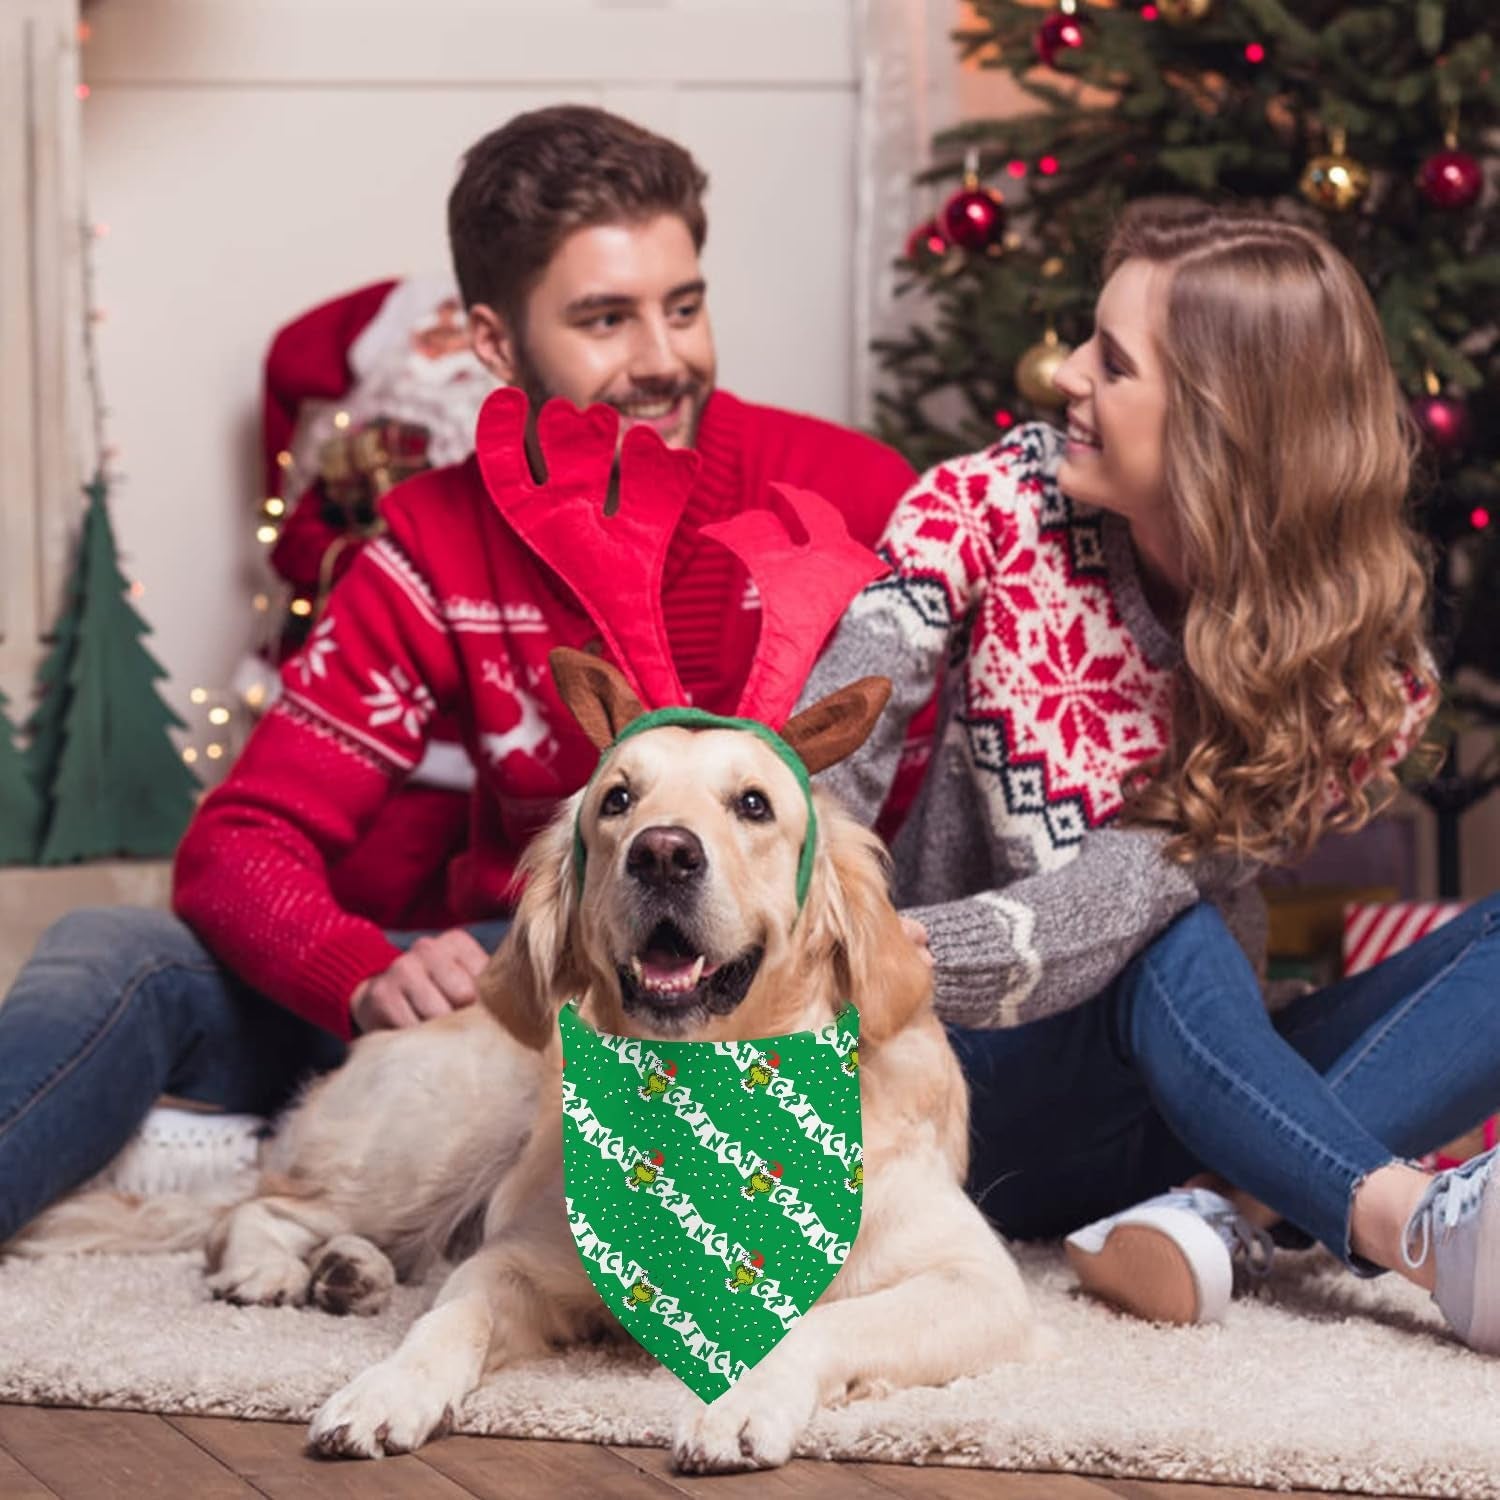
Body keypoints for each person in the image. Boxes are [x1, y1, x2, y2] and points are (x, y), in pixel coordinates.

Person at [0, 105, 918, 1246]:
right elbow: (241, 842)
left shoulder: (851, 498)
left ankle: (249, 1145)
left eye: (683, 307)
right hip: (532, 984)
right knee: (112, 952)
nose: (664, 359)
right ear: (493, 341)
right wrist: (356, 973)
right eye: (606, 319)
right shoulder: (436, 541)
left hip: (778, 1002)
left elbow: (924, 825)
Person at [798, 198, 1500, 1354]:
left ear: (1221, 426)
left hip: (1178, 1093)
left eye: (1112, 362)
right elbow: (835, 740)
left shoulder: (1345, 661)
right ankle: (1407, 1226)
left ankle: (1217, 1217)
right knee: (1169, 934)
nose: (1065, 373)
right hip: (941, 1080)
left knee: (1166, 915)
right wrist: (847, 942)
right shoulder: (993, 505)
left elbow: (1123, 891)